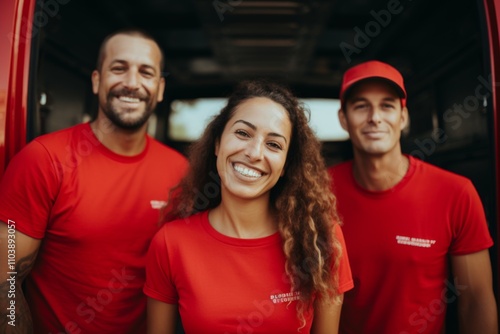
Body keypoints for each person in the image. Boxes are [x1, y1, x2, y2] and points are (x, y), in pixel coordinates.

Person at [0, 28, 187, 333]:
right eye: (119, 68)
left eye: (146, 72)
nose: (132, 82)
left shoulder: (181, 172)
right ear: (97, 80)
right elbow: (4, 278)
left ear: (160, 87)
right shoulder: (44, 159)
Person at [144, 79, 354, 334]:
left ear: (285, 165)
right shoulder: (170, 243)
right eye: (243, 133)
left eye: (274, 144)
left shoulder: (321, 241)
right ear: (218, 143)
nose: (254, 153)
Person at [328, 60, 498, 333]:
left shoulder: (455, 192)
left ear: (403, 118)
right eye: (361, 106)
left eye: (387, 105)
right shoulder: (316, 193)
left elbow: (475, 299)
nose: (375, 117)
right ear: (343, 119)